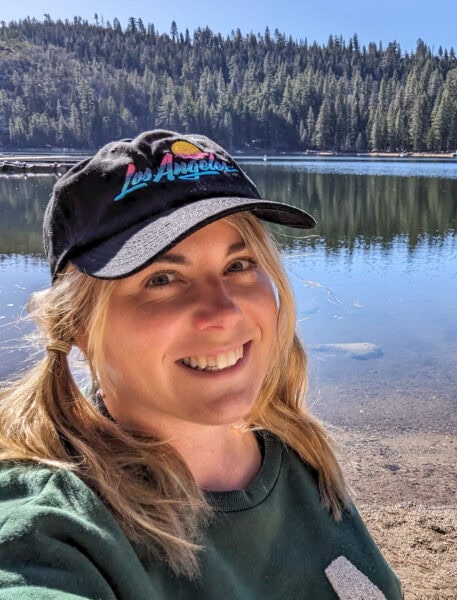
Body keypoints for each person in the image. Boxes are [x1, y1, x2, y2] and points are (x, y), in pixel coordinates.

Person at [0, 130, 403, 599]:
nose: (225, 312)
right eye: (163, 278)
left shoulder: (300, 453)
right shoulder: (52, 528)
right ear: (78, 327)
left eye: (239, 265)